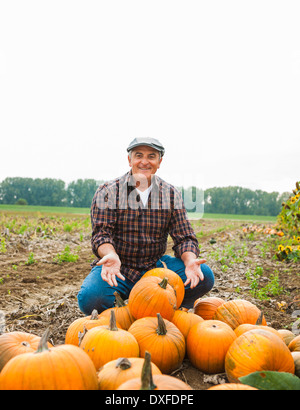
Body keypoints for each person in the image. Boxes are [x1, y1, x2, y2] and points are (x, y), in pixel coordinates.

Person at [77, 137, 214, 315]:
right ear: (129, 160)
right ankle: (123, 315)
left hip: (155, 267)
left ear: (159, 162)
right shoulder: (108, 191)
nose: (144, 161)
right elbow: (101, 235)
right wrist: (110, 255)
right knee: (91, 299)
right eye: (138, 155)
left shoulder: (171, 194)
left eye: (151, 156)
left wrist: (189, 261)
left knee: (204, 276)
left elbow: (184, 237)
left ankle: (173, 308)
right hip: (119, 267)